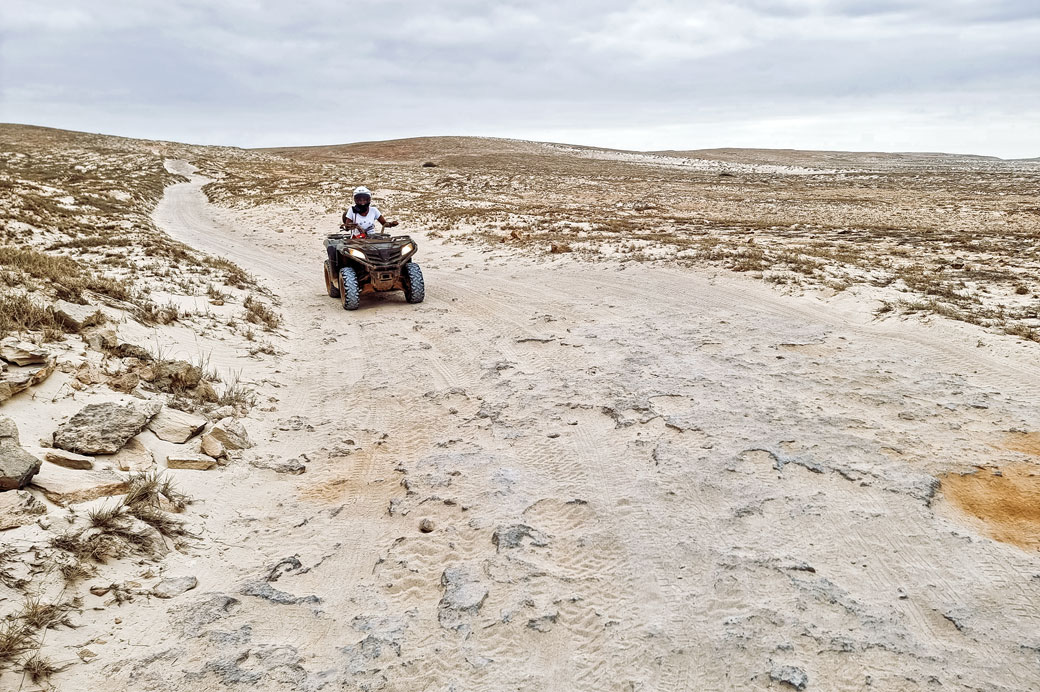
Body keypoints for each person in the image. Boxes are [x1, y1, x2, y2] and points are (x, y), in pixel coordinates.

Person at [327, 186, 399, 272]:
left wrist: (391, 224)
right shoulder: (351, 211)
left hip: (372, 238)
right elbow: (347, 224)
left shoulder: (374, 210)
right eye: (359, 200)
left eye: (364, 200)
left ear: (369, 200)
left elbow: (384, 223)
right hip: (356, 239)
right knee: (352, 257)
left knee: (383, 252)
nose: (362, 202)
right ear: (355, 200)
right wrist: (350, 226)